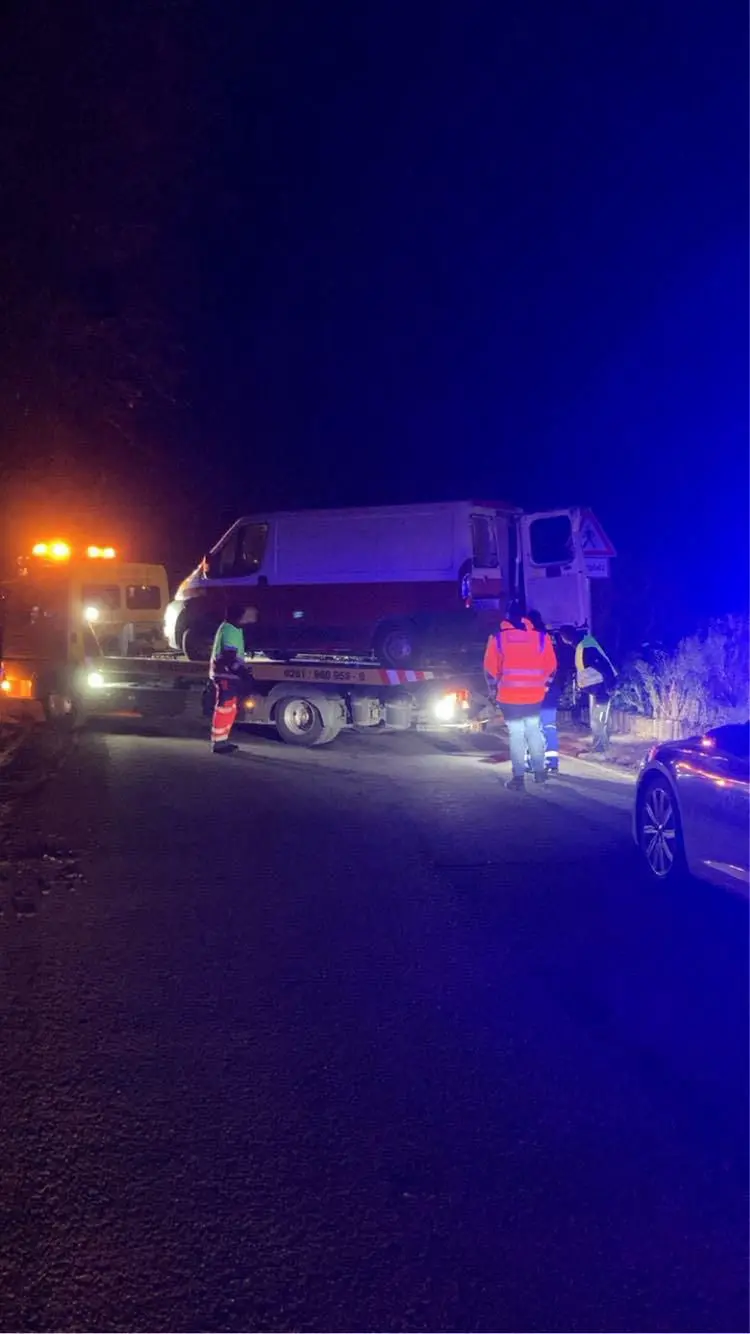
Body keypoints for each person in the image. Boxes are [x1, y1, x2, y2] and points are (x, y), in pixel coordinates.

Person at [484, 601, 557, 790]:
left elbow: (491, 671)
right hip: (534, 696)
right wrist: (544, 688)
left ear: (507, 616)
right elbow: (551, 668)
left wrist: (493, 691)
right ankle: (540, 773)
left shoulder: (499, 639)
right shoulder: (541, 638)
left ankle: (518, 779)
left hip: (509, 696)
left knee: (517, 734)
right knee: (533, 731)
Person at [559, 624, 617, 755]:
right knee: (600, 720)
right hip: (600, 688)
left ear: (565, 637)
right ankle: (603, 748)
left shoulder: (586, 647)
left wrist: (610, 686)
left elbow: (603, 666)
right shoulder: (583, 645)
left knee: (598, 720)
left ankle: (599, 751)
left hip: (602, 688)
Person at [209, 603, 253, 754]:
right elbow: (229, 657)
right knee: (225, 707)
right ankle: (218, 743)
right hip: (225, 674)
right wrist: (242, 673)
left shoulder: (232, 628)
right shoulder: (230, 630)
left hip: (227, 674)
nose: (251, 615)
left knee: (229, 707)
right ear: (239, 615)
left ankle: (222, 740)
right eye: (247, 613)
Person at [525, 609, 561, 774]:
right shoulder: (549, 638)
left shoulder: (528, 640)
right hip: (551, 690)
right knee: (549, 726)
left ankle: (532, 762)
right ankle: (552, 762)